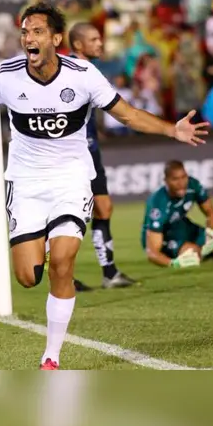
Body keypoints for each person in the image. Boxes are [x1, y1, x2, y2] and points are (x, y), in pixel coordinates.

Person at [0, 2, 209, 370]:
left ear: (56, 39)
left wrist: (172, 129)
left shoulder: (83, 75)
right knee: (28, 277)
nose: (29, 37)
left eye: (37, 31)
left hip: (71, 179)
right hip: (25, 183)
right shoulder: (7, 75)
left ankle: (51, 356)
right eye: (25, 32)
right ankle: (41, 239)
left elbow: (128, 114)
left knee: (62, 261)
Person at [66, 22, 136, 290]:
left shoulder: (91, 70)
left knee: (104, 207)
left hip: (91, 150)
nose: (100, 43)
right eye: (94, 39)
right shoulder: (67, 71)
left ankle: (110, 273)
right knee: (69, 215)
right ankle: (62, 276)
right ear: (78, 44)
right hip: (71, 154)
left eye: (100, 39)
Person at [141, 161, 213, 269]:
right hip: (164, 234)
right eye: (175, 179)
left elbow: (211, 212)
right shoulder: (158, 203)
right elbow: (152, 252)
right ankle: (190, 252)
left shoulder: (193, 186)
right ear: (166, 181)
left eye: (183, 177)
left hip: (182, 225)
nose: (181, 183)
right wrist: (173, 263)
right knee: (194, 253)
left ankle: (201, 252)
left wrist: (211, 234)